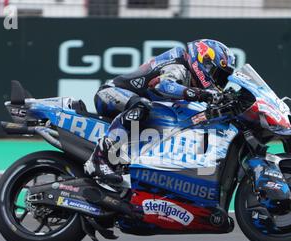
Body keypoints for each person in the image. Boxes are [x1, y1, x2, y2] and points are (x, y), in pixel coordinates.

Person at [84, 39, 236, 183]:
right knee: (141, 105)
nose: (218, 82)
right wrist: (200, 94)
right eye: (218, 75)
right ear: (205, 63)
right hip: (110, 93)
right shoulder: (179, 65)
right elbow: (162, 85)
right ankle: (99, 159)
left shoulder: (191, 77)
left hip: (136, 111)